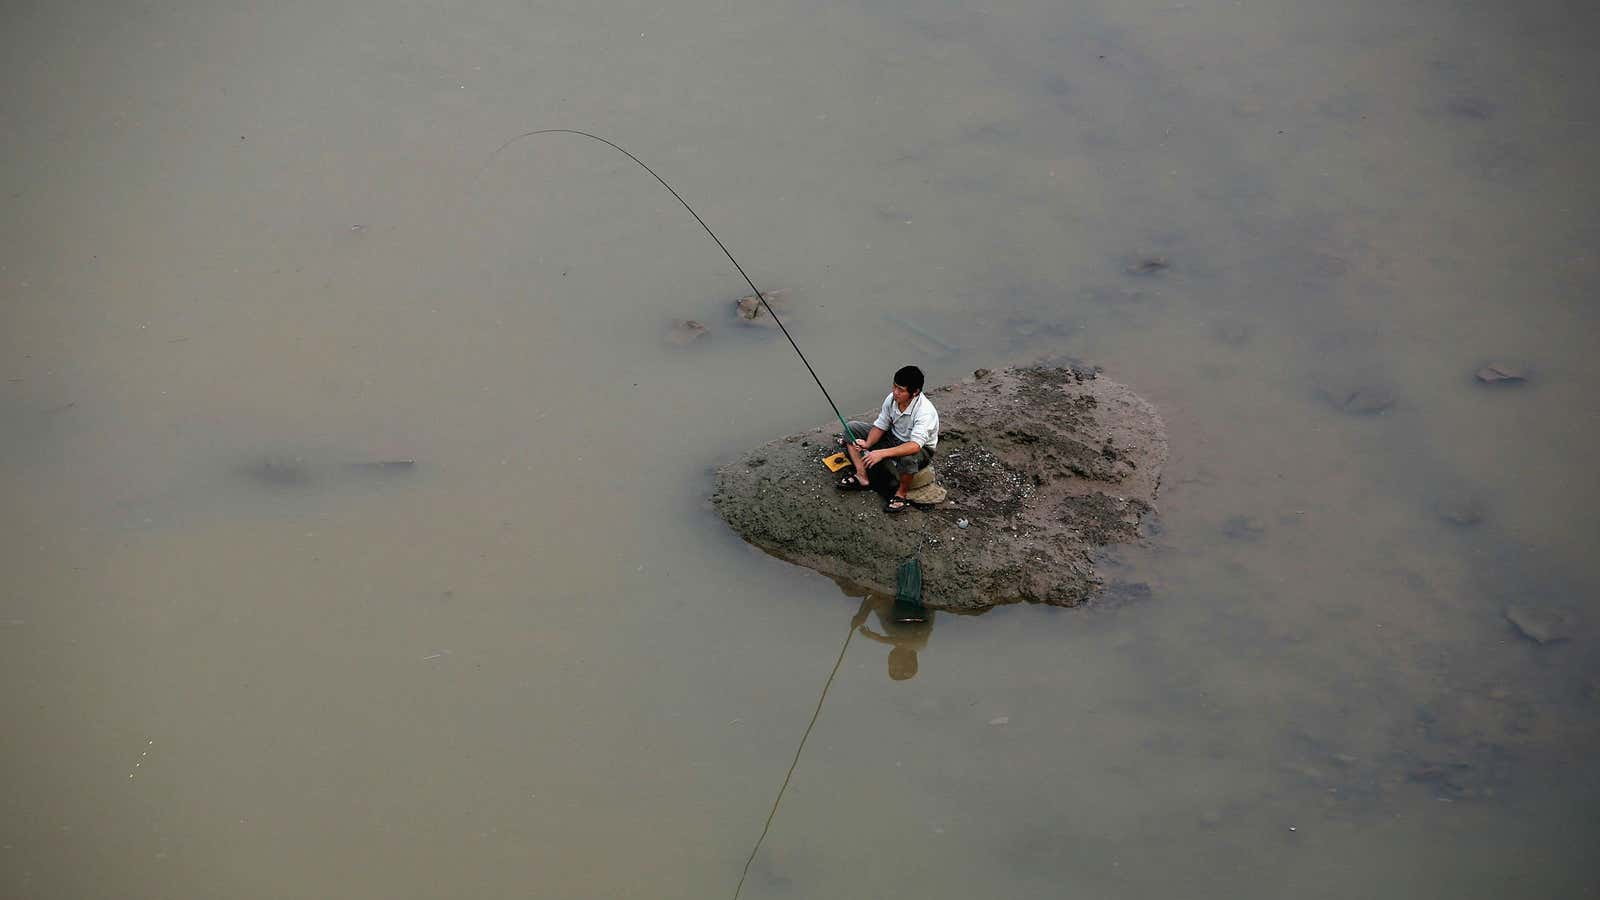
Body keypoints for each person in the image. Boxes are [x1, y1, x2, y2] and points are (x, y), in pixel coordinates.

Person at [835, 364, 939, 514]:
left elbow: (915, 446)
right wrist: (868, 443)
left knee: (908, 459)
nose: (895, 392)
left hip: (919, 448)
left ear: (915, 392)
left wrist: (881, 453)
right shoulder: (891, 399)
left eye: (901, 390)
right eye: (894, 386)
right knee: (852, 428)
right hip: (893, 436)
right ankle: (862, 476)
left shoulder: (925, 412)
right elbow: (881, 425)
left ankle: (901, 494)